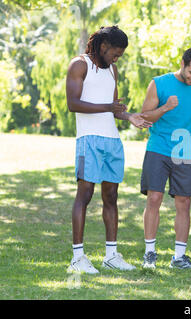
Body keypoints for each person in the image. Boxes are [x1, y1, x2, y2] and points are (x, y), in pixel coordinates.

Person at [66, 26, 152, 274]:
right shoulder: (79, 65)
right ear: (103, 47)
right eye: (115, 54)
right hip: (88, 140)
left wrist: (129, 117)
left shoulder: (112, 70)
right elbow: (73, 104)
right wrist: (109, 106)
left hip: (112, 140)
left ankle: (111, 255)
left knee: (111, 197)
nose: (117, 59)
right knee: (85, 195)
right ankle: (78, 258)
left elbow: (113, 109)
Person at [140, 48, 191, 269]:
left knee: (184, 202)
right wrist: (165, 107)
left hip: (184, 151)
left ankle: (179, 257)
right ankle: (149, 253)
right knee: (154, 199)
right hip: (159, 147)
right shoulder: (159, 83)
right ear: (182, 63)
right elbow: (144, 116)